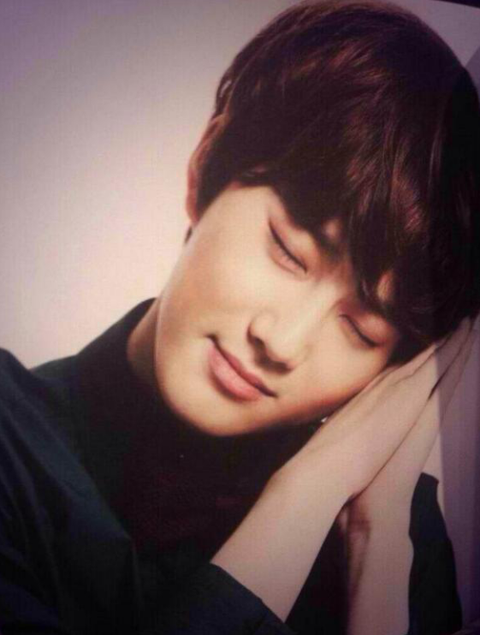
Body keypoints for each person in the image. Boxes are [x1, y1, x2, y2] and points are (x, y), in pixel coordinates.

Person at [0, 0, 479, 633]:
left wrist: (377, 546)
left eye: (361, 329)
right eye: (288, 250)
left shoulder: (400, 538)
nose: (281, 342)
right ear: (206, 165)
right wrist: (304, 498)